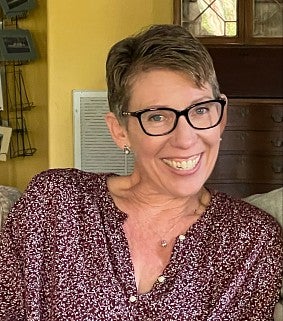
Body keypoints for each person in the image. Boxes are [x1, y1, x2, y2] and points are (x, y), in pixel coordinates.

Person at [0, 24, 282, 321]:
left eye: (200, 110)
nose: (185, 139)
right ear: (120, 131)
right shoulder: (55, 203)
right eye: (157, 116)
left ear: (221, 117)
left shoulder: (250, 239)